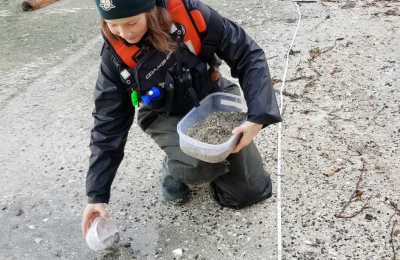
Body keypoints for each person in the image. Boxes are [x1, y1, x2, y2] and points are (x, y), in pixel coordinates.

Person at [81, 0, 282, 236]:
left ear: (151, 9)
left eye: (132, 22)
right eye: (112, 24)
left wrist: (257, 116)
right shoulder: (114, 58)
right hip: (163, 114)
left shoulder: (190, 13)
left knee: (250, 193)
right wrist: (96, 194)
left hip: (212, 96)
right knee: (199, 163)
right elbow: (108, 123)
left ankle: (213, 167)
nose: (125, 33)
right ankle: (173, 169)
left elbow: (248, 54)